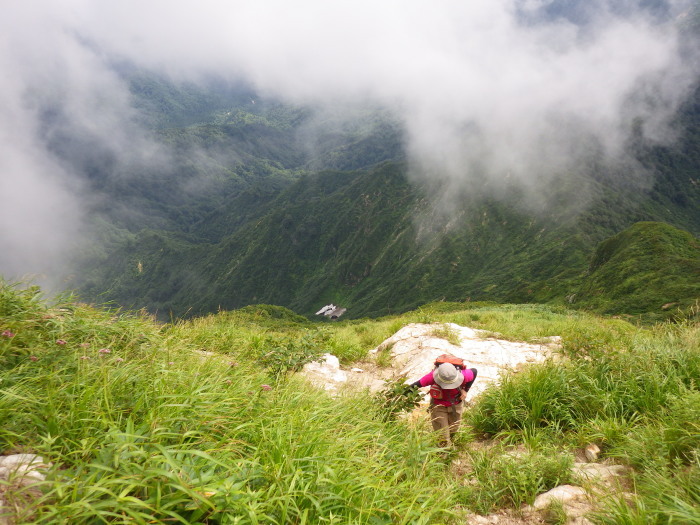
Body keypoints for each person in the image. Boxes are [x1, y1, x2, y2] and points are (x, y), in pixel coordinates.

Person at [409, 362, 477, 447]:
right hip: (439, 407)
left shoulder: (464, 375)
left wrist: (465, 390)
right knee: (443, 437)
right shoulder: (431, 376)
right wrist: (394, 395)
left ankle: (448, 448)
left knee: (453, 430)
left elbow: (474, 371)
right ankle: (443, 456)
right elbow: (414, 386)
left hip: (456, 405)